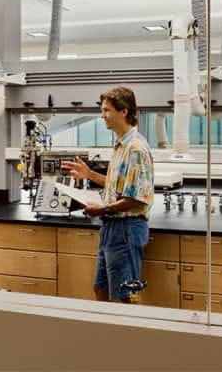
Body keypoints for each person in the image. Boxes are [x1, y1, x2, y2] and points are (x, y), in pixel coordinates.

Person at [62, 86, 154, 303]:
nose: (102, 116)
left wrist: (100, 209)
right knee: (100, 289)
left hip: (126, 229)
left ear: (124, 111)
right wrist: (90, 175)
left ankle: (127, 336)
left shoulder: (136, 148)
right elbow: (120, 187)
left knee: (125, 296)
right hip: (112, 228)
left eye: (106, 110)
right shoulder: (121, 145)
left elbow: (135, 199)